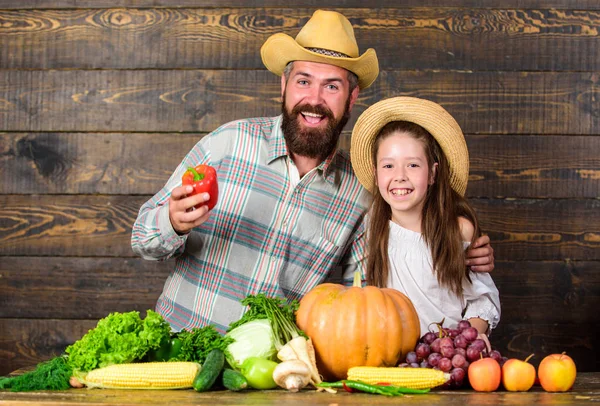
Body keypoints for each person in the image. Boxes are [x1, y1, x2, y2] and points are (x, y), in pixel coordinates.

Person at [131, 10, 495, 333]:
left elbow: (367, 291)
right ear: (285, 85)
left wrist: (456, 247)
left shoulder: (360, 193)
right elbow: (142, 238)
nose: (315, 99)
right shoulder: (228, 143)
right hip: (179, 348)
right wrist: (173, 223)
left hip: (273, 373)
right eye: (304, 80)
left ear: (351, 99)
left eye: (332, 86)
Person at [350, 96, 501, 341]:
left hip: (444, 355)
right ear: (376, 174)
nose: (399, 176)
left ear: (432, 173)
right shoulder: (369, 227)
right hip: (391, 361)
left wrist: (467, 338)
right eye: (388, 166)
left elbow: (483, 300)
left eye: (412, 165)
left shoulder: (458, 230)